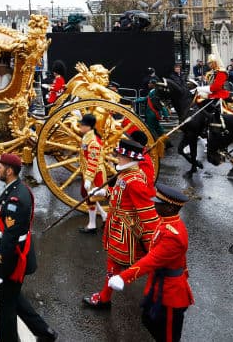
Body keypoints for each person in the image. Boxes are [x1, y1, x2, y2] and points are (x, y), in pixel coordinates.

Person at [108, 183, 194, 342]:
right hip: (159, 284)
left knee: (168, 337)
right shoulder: (167, 222)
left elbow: (153, 259)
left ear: (169, 208)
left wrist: (123, 277)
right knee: (148, 320)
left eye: (158, 203)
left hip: (169, 293)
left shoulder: (173, 235)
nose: (154, 204)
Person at [0, 153, 57, 342]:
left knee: (5, 305)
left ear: (9, 171)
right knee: (14, 296)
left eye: (0, 167)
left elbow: (10, 236)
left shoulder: (16, 198)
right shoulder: (16, 188)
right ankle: (44, 331)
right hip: (17, 250)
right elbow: (6, 225)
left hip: (15, 257)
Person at [84, 137, 159, 310]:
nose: (117, 158)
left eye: (120, 156)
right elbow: (120, 196)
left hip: (127, 230)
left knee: (125, 264)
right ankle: (106, 297)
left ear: (129, 158)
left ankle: (107, 298)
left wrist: (153, 238)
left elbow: (146, 211)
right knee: (116, 264)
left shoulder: (134, 180)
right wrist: (105, 191)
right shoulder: (127, 174)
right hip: (118, 225)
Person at [77, 113, 106, 234]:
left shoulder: (93, 142)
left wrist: (88, 179)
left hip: (94, 174)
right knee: (88, 195)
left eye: (82, 125)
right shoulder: (87, 137)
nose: (80, 127)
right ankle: (104, 215)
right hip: (88, 172)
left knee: (90, 198)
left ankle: (92, 225)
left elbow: (93, 162)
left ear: (88, 127)